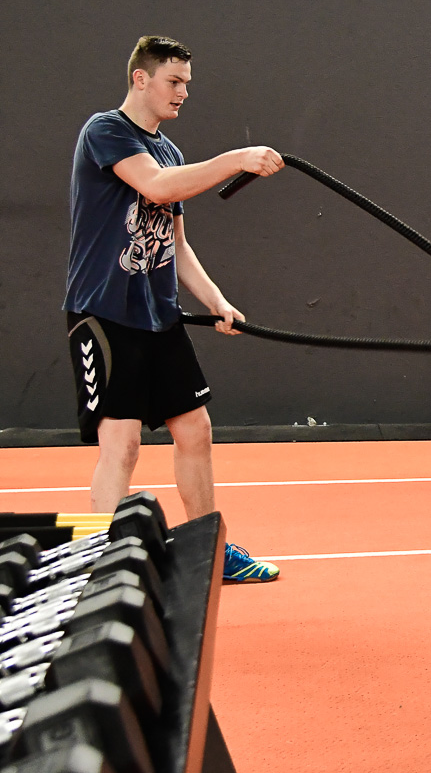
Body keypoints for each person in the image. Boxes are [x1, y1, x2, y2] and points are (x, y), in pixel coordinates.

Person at [65, 36, 283, 581]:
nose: (184, 91)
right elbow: (156, 189)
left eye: (187, 82)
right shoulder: (106, 131)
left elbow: (176, 244)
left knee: (196, 430)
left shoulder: (172, 151)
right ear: (141, 79)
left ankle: (208, 551)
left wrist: (218, 302)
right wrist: (236, 158)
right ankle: (99, 564)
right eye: (174, 81)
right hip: (105, 312)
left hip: (159, 315)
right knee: (123, 441)